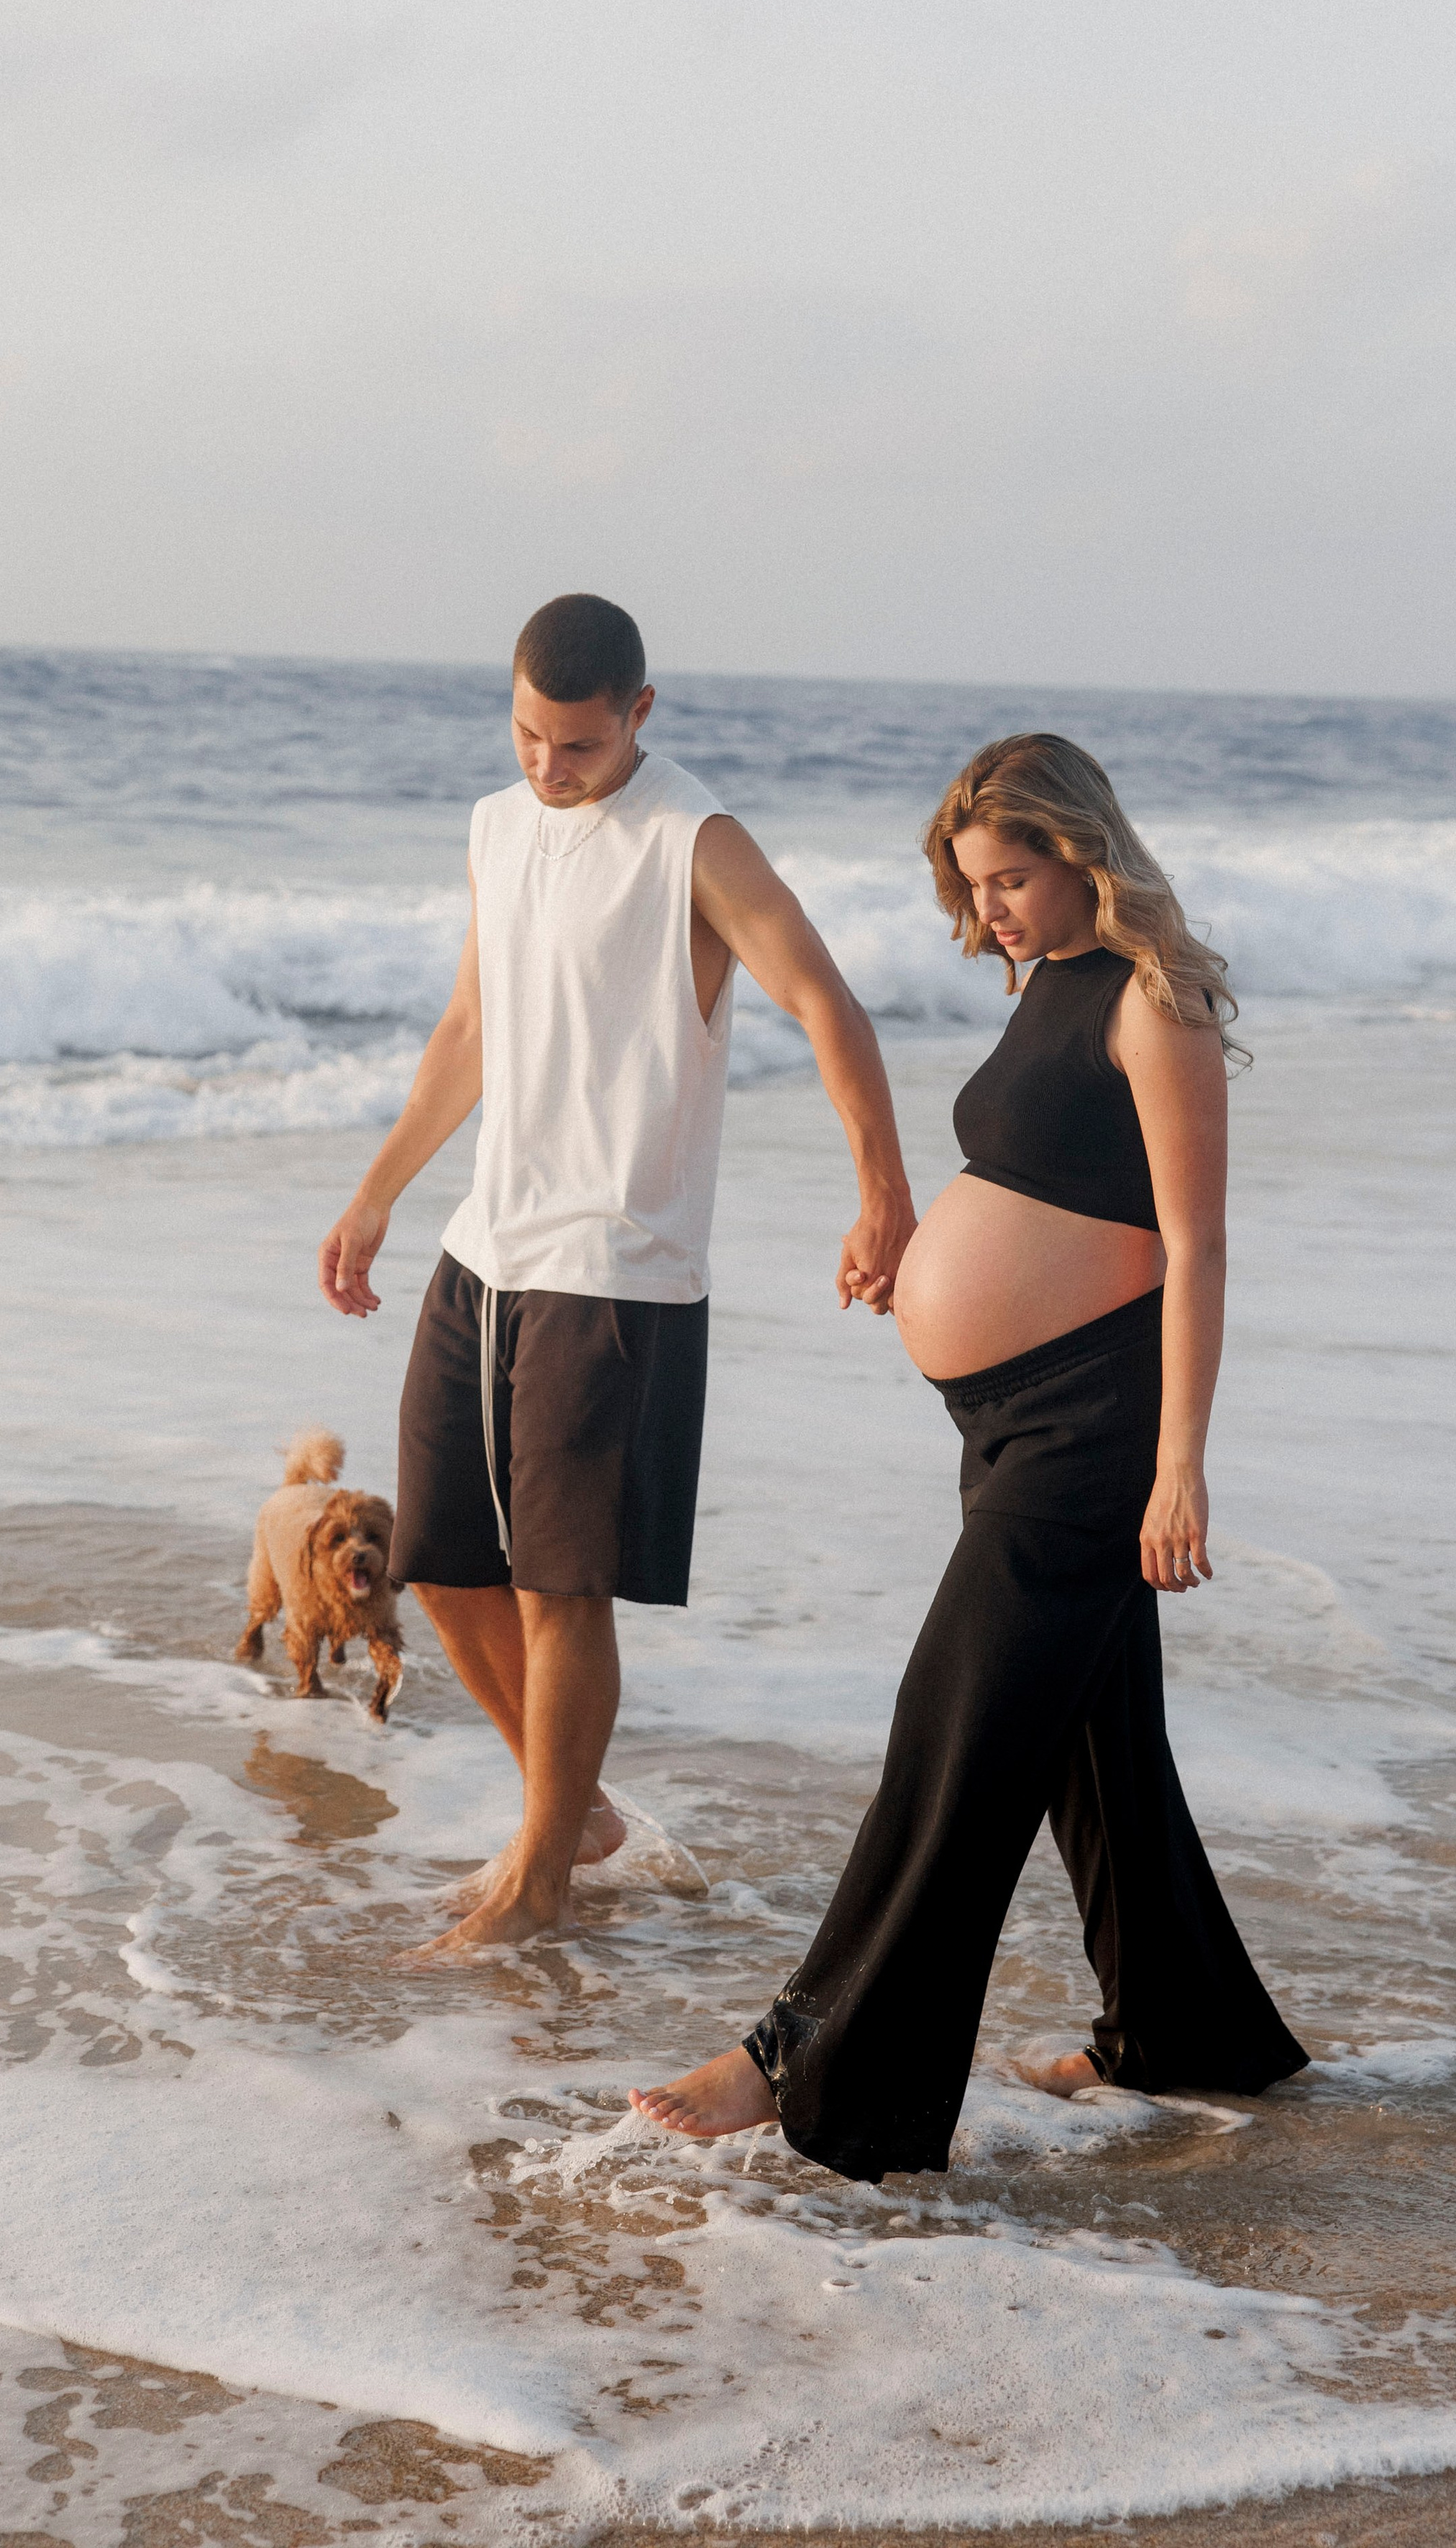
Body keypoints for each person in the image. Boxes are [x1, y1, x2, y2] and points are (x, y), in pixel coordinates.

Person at [631, 731, 1307, 2179]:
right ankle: (1188, 2032)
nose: (990, 905)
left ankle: (807, 2059)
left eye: (1012, 875)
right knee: (1095, 1751)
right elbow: (1036, 1187)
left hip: (1093, 1432)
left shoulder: (1149, 1001)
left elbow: (1194, 1249)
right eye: (972, 882)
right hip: (1005, 1423)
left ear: (1082, 852)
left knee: (951, 1732)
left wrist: (1177, 1462)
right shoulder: (1046, 984)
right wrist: (910, 1243)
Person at [319, 593, 916, 1955]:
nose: (549, 767)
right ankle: (570, 1812)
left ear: (640, 715)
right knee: (440, 1557)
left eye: (578, 745)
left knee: (559, 1586)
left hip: (615, 1266)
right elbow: (472, 1023)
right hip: (486, 1249)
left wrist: (882, 1190)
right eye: (529, 734)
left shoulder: (695, 844)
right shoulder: (495, 824)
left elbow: (828, 1000)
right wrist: (379, 1190)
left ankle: (539, 1881)